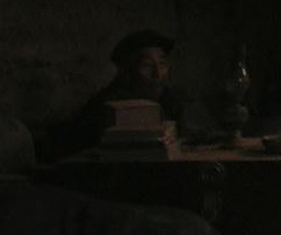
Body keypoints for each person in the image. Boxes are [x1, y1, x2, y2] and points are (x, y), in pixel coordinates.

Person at [52, 29, 186, 158]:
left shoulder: (169, 101)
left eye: (162, 63)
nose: (158, 74)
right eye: (147, 65)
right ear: (126, 71)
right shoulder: (107, 108)